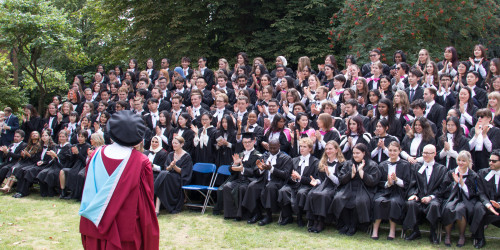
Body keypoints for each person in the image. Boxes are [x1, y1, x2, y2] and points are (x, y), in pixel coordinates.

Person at [79, 110, 159, 249]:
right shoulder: (141, 162)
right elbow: (145, 202)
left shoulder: (95, 155)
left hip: (95, 223)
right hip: (124, 230)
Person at [330, 143, 380, 236]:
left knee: (360, 201)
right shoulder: (348, 163)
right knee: (339, 198)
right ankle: (346, 224)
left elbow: (373, 182)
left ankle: (354, 225)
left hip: (364, 189)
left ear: (364, 153)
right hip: (348, 187)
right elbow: (341, 179)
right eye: (353, 153)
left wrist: (362, 173)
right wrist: (350, 175)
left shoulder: (372, 165)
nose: (355, 155)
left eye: (358, 153)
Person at [242, 139, 293, 226]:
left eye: (274, 148)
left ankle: (268, 215)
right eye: (270, 148)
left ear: (279, 146)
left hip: (278, 182)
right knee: (252, 186)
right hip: (263, 180)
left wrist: (271, 169)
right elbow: (256, 172)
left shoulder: (286, 158)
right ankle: (257, 213)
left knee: (270, 187)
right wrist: (261, 169)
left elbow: (286, 174)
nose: (272, 150)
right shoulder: (265, 156)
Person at [403, 145, 447, 244]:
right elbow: (412, 184)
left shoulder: (441, 169)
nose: (425, 155)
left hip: (434, 198)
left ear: (435, 154)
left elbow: (442, 188)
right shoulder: (416, 167)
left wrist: (430, 197)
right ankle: (415, 231)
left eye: (428, 153)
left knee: (434, 205)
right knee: (411, 203)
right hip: (419, 196)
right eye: (423, 153)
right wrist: (414, 194)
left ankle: (433, 233)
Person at [371, 142, 411, 240]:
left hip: (398, 191)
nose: (392, 153)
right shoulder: (382, 165)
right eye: (390, 150)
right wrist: (388, 183)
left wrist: (396, 180)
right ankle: (375, 230)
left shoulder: (405, 165)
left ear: (399, 151)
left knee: (394, 203)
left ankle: (392, 231)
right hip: (384, 190)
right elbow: (379, 182)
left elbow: (407, 183)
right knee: (378, 202)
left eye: (395, 151)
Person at [304, 140, 345, 233]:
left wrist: (329, 174)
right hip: (322, 186)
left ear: (336, 150)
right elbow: (321, 179)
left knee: (323, 196)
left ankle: (321, 222)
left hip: (333, 187)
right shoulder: (323, 162)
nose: (328, 151)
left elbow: (339, 182)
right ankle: (315, 221)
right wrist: (316, 181)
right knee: (312, 193)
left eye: (330, 149)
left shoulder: (341, 163)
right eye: (326, 149)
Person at [278, 138, 319, 227]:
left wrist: (300, 177)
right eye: (300, 146)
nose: (302, 148)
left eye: (304, 147)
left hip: (306, 186)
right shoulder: (294, 160)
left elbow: (313, 180)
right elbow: (288, 176)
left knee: (301, 193)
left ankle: (299, 217)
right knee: (283, 191)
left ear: (310, 149)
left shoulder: (315, 162)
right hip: (294, 184)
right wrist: (293, 178)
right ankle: (287, 216)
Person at [441, 151, 478, 247]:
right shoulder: (451, 173)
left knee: (460, 210)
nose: (461, 163)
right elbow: (444, 189)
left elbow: (473, 193)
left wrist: (462, 184)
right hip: (452, 197)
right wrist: (455, 183)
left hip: (466, 199)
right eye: (459, 160)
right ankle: (447, 235)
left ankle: (462, 236)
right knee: (448, 208)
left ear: (469, 162)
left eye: (464, 161)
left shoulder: (473, 175)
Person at [222, 132, 261, 220]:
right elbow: (231, 170)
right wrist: (235, 164)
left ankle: (241, 215)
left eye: (249, 142)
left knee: (242, 188)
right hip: (239, 179)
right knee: (227, 187)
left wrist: (243, 169)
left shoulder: (258, 155)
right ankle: (230, 214)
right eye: (245, 142)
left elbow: (255, 171)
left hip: (250, 181)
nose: (247, 144)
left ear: (254, 141)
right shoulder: (240, 154)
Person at [154, 136, 193, 215]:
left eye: (176, 143)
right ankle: (157, 209)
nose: (174, 145)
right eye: (173, 143)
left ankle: (155, 193)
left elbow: (184, 172)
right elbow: (166, 168)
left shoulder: (187, 156)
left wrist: (174, 166)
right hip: (168, 176)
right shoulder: (171, 154)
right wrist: (171, 166)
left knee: (163, 176)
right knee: (163, 175)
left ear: (181, 144)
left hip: (179, 178)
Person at [470, 149, 500, 248]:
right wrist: (488, 204)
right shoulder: (482, 173)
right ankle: (480, 238)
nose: (491, 163)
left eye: (494, 161)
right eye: (490, 160)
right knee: (478, 208)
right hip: (484, 202)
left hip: (498, 204)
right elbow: (480, 192)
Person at [12, 129, 54, 198]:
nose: (44, 137)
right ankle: (19, 191)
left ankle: (23, 192)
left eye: (46, 135)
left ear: (49, 137)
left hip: (46, 166)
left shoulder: (53, 146)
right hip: (37, 164)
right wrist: (38, 161)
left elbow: (51, 159)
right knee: (22, 170)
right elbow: (36, 157)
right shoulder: (40, 146)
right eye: (43, 135)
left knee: (29, 171)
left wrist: (43, 162)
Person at [36, 130, 73, 197]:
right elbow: (53, 158)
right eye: (60, 137)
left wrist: (56, 155)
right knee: (42, 173)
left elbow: (66, 159)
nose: (61, 138)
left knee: (50, 174)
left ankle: (51, 192)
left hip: (62, 166)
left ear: (66, 137)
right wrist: (52, 156)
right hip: (53, 165)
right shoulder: (57, 146)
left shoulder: (69, 147)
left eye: (63, 137)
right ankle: (44, 192)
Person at [59, 130, 91, 199]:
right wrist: (73, 154)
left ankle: (73, 193)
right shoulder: (75, 145)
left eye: (82, 137)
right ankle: (63, 192)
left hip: (82, 167)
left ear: (85, 137)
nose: (80, 138)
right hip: (75, 166)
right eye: (79, 136)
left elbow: (85, 161)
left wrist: (78, 153)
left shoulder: (88, 146)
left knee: (75, 173)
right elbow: (72, 160)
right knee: (62, 171)